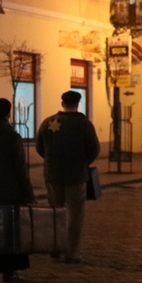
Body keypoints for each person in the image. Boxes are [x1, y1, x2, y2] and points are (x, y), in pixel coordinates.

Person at [35, 91, 100, 264]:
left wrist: (51, 160)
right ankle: (72, 252)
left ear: (62, 102)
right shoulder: (84, 124)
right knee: (75, 215)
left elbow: (40, 148)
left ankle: (55, 248)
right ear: (77, 104)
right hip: (76, 175)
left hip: (52, 174)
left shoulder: (48, 122)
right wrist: (84, 162)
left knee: (55, 213)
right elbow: (94, 149)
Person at [0, 98, 35, 282]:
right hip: (8, 189)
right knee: (9, 229)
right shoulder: (11, 135)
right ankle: (8, 269)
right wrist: (28, 192)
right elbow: (20, 167)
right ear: (8, 113)